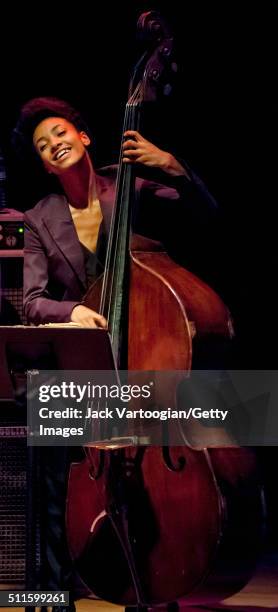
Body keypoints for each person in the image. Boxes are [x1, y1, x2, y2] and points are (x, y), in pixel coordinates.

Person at [12, 96, 224, 608]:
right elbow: (34, 302)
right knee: (48, 461)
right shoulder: (40, 218)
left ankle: (155, 577)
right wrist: (73, 313)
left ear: (83, 138)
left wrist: (171, 165)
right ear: (42, 163)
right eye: (43, 145)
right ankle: (55, 592)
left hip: (146, 358)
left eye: (60, 133)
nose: (53, 145)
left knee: (193, 434)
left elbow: (208, 215)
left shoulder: (127, 187)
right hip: (86, 368)